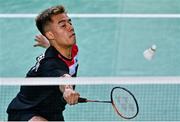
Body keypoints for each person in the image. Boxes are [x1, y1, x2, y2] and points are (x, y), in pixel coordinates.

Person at [7, 5, 80, 121]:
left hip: (52, 111)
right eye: (63, 25)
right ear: (50, 35)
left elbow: (56, 50)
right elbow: (62, 77)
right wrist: (68, 89)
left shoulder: (71, 49)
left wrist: (49, 43)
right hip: (26, 112)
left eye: (69, 22)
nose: (70, 27)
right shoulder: (50, 63)